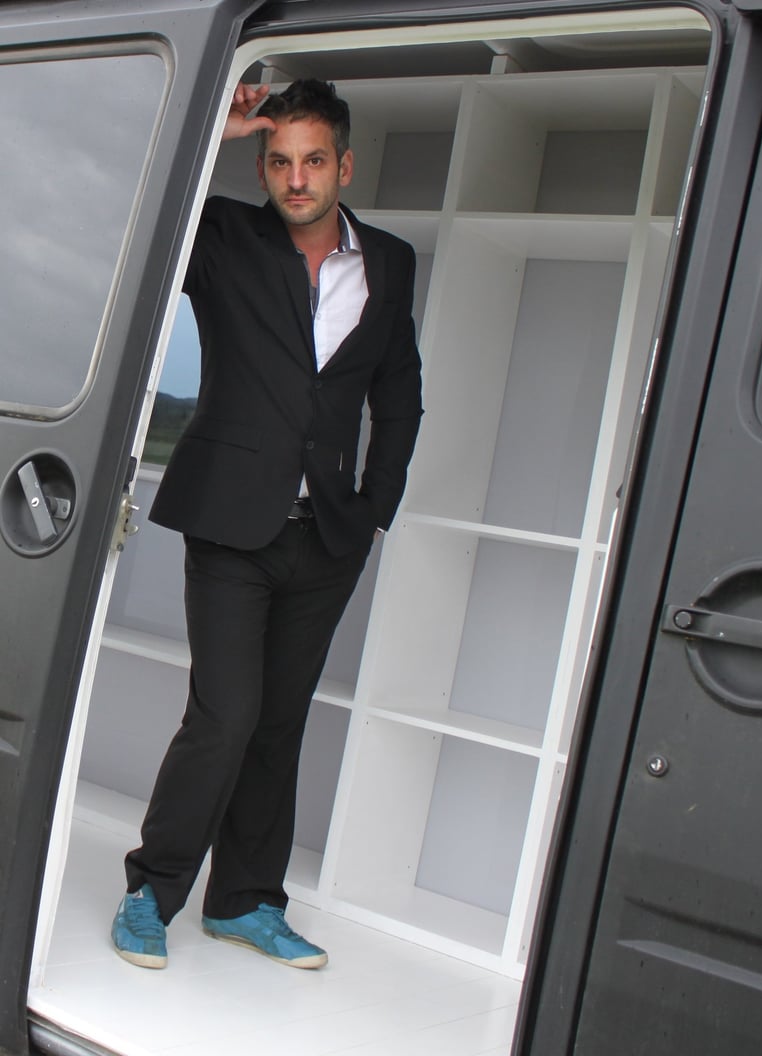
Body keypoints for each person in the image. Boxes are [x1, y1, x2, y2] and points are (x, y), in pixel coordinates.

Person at [111, 79, 423, 971]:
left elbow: (399, 392)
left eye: (313, 160)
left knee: (279, 723)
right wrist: (214, 126)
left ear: (344, 166)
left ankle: (245, 902)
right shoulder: (220, 237)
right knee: (225, 716)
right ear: (261, 168)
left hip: (328, 536)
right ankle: (150, 891)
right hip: (229, 526)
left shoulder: (390, 261)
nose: (296, 179)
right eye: (279, 161)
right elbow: (139, 208)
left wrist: (375, 509)